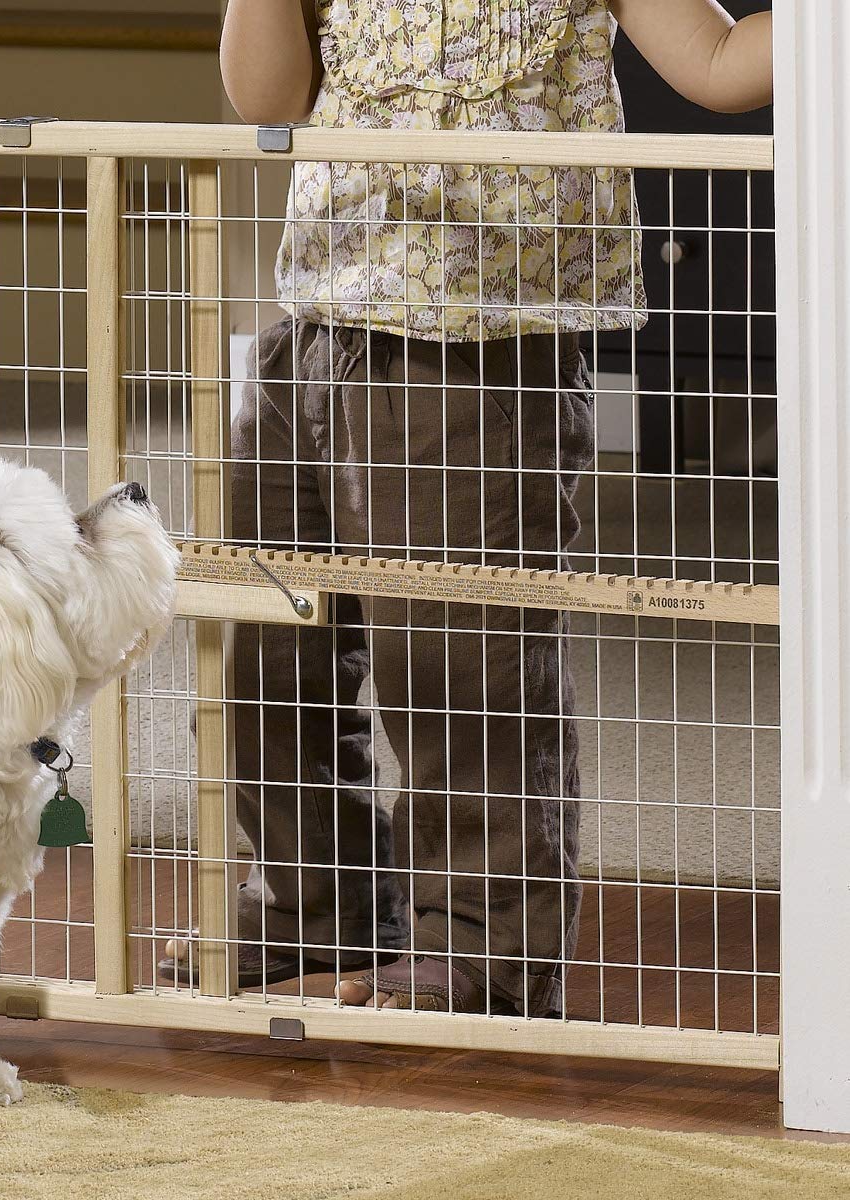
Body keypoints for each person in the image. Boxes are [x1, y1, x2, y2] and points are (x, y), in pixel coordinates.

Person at [160, 0, 772, 1014]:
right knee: (262, 639)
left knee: (456, 658)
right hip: (317, 324)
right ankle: (322, 902)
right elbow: (267, 96)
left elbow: (714, 61)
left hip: (484, 345)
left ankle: (485, 950)